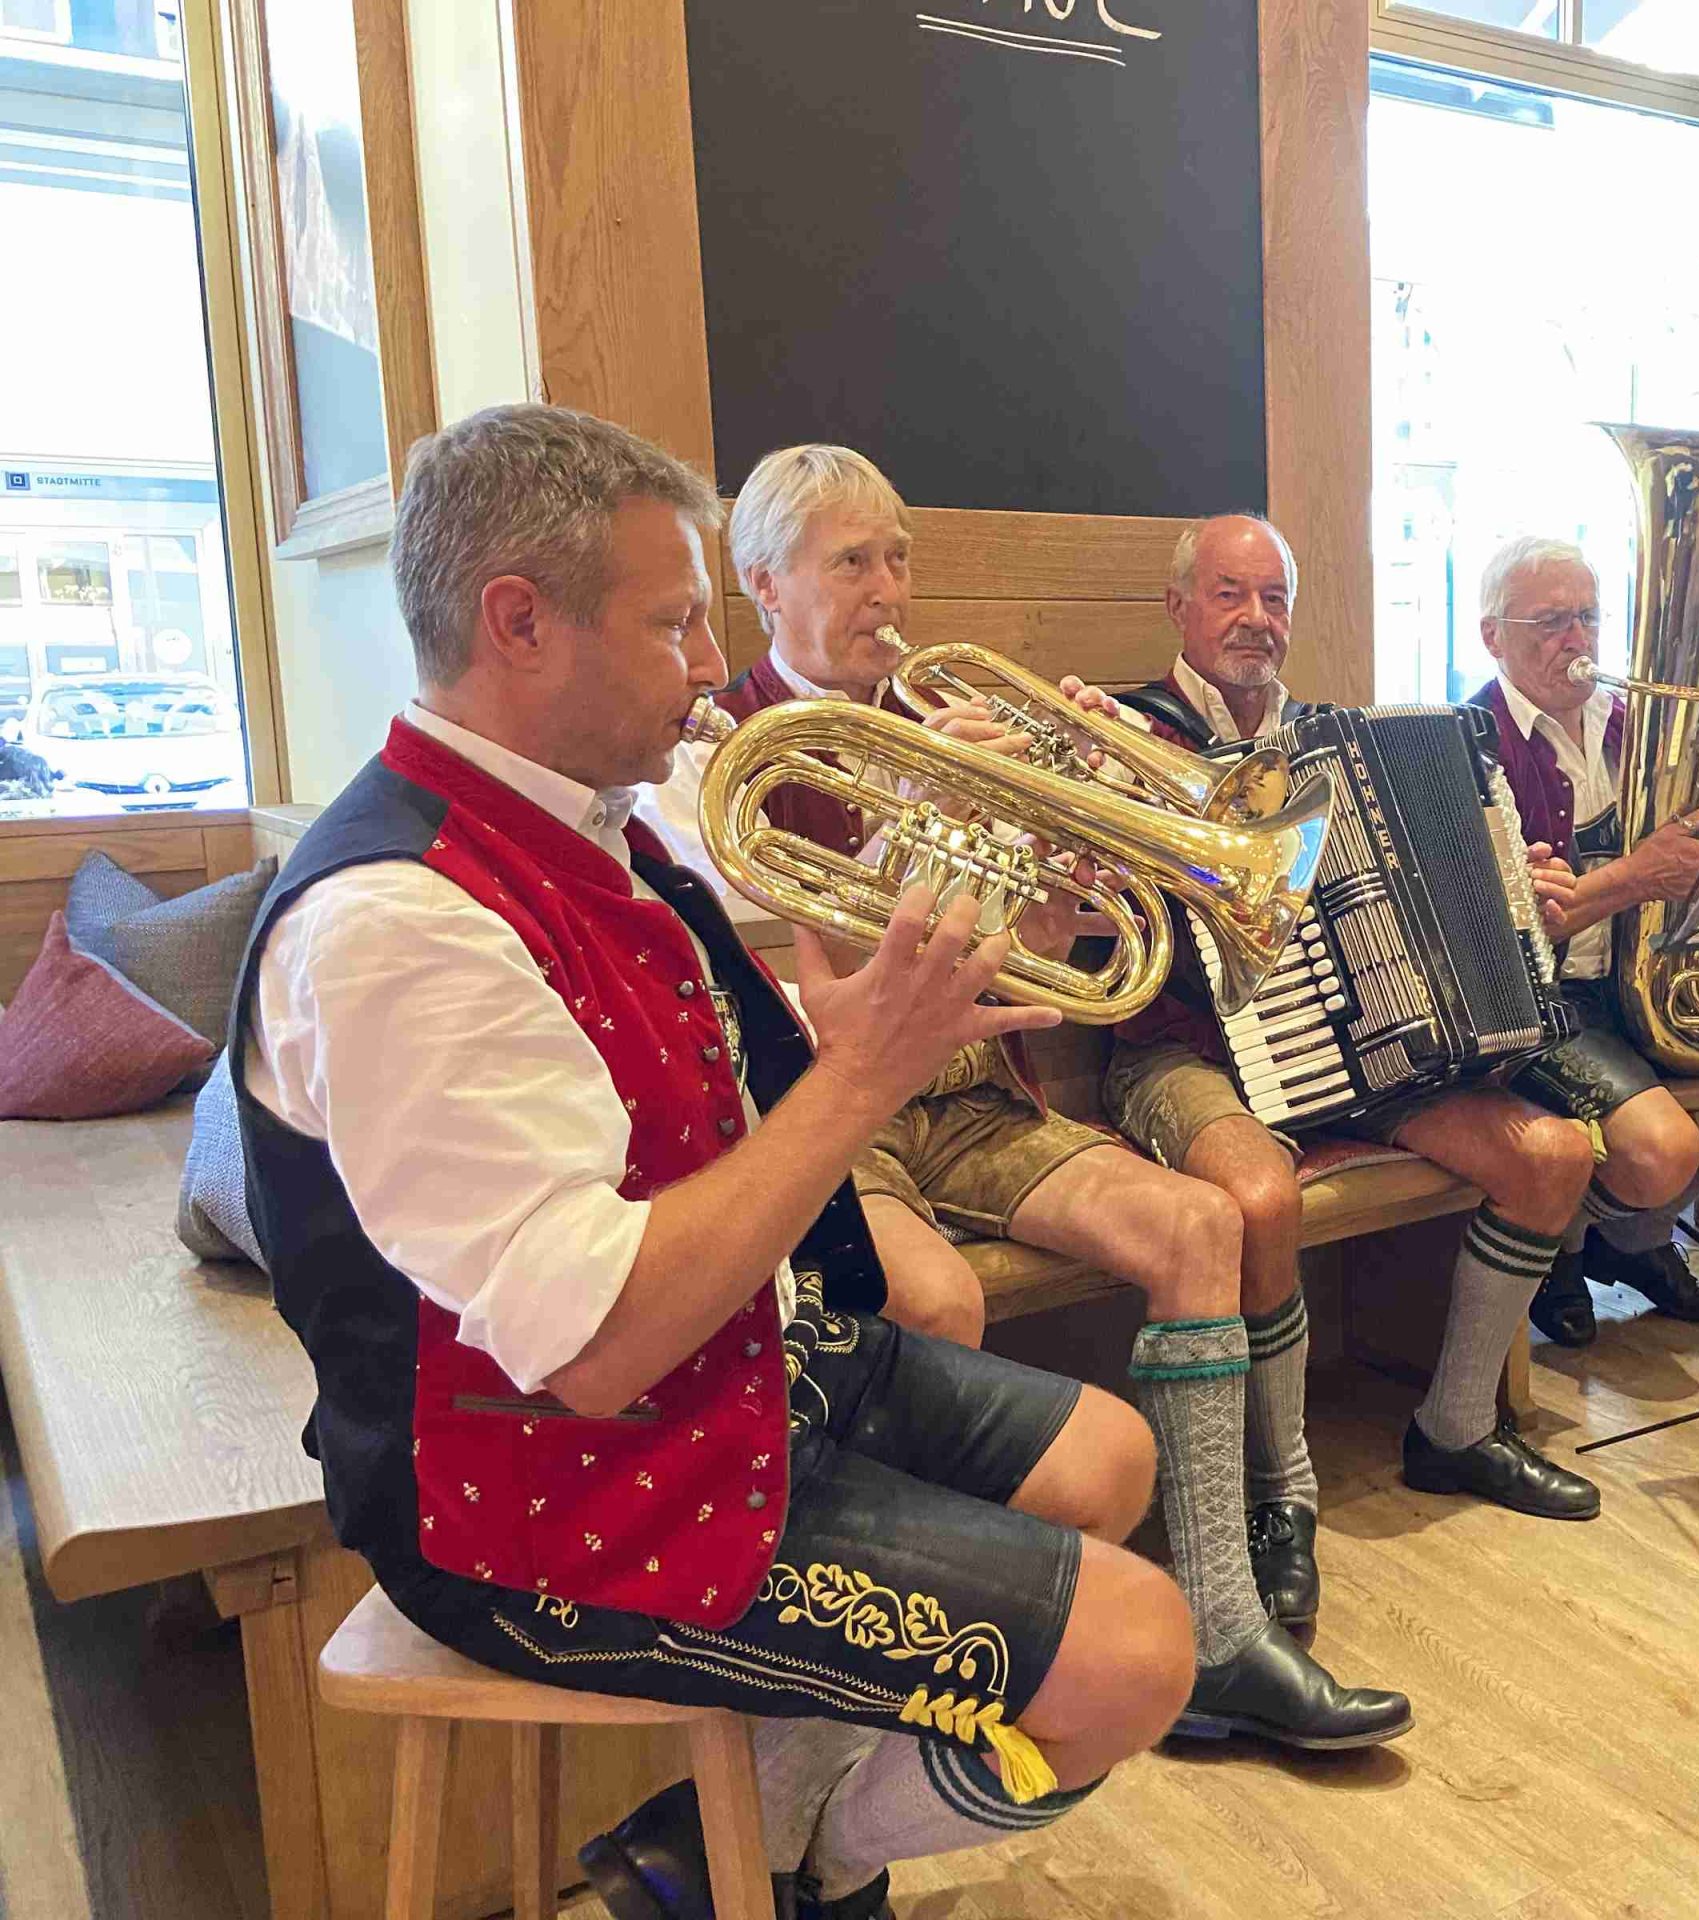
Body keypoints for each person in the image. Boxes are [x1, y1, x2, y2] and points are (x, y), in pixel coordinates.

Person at [231, 405, 1198, 1920]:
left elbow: (669, 1081)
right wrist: (866, 1077)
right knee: (1140, 1657)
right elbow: (598, 1348)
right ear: (517, 623)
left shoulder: (579, 825)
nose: (706, 665)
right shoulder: (396, 924)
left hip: (727, 1359)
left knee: (1111, 1458)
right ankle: (814, 1864)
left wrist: (865, 1011)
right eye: (673, 621)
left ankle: (743, 1836)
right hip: (529, 1500)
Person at [640, 448, 1409, 1755]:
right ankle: (961, 1661)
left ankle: (1225, 1629)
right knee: (937, 1300)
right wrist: (914, 809)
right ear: (762, 583)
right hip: (829, 1114)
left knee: (1200, 1227)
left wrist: (1062, 832)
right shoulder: (716, 753)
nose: (889, 591)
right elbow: (790, 989)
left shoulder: (945, 719)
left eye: (898, 559)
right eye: (851, 562)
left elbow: (1050, 950)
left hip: (972, 1093)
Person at [1100, 516, 1606, 1636]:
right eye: (1229, 594)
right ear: (1179, 607)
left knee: (1553, 1157)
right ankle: (1284, 1494)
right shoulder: (1127, 737)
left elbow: (1432, 883)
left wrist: (1508, 884)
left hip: (1355, 1043)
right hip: (1182, 1046)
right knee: (1262, 1198)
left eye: (1274, 598)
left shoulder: (1335, 742)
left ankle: (1457, 1428)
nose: (1255, 619)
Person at [1459, 537, 1699, 1347]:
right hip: (1542, 1005)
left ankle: (1630, 1238)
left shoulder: (1639, 727)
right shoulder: (1468, 742)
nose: (1577, 639)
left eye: (1588, 617)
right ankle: (1562, 1249)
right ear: (1493, 636)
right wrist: (1636, 876)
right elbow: (1504, 931)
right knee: (1663, 1151)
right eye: (1550, 622)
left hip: (1648, 980)